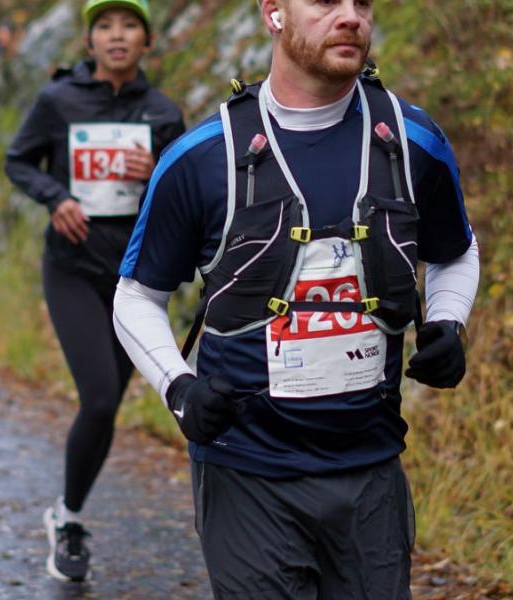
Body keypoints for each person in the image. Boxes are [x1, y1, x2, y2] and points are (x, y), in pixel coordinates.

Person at [114, 0, 481, 597]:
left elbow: (455, 251)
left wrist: (448, 321)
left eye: (361, 3)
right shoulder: (202, 157)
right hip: (247, 471)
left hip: (370, 470)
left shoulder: (412, 142)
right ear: (274, 13)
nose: (350, 16)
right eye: (326, 1)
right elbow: (135, 296)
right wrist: (178, 387)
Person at [3, 0, 185, 584]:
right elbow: (17, 161)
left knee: (104, 409)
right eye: (104, 26)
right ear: (89, 40)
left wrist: (156, 167)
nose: (116, 35)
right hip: (74, 271)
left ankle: (66, 511)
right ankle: (72, 521)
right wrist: (56, 199)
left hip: (137, 282)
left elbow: (187, 193)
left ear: (147, 40)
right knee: (101, 398)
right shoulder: (59, 101)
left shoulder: (163, 113)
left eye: (129, 25)